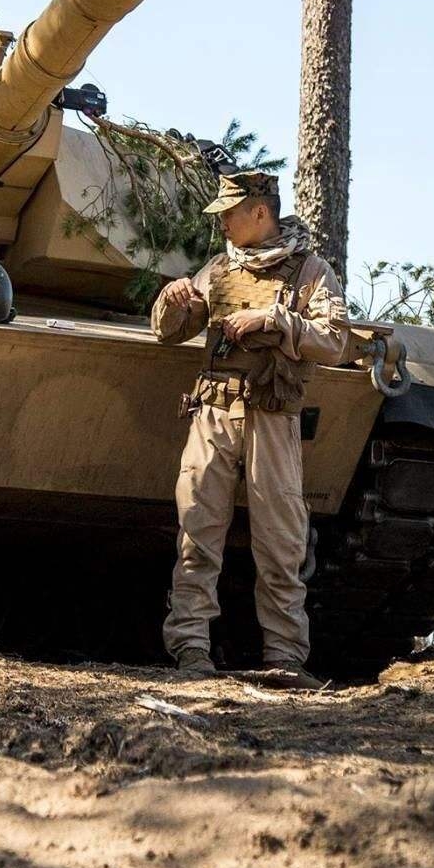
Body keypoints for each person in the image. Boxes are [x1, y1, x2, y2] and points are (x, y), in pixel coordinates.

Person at [150, 170, 351, 684]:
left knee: (281, 544)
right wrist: (174, 304)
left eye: (229, 213)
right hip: (213, 414)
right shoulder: (218, 268)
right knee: (198, 532)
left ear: (260, 213)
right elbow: (168, 333)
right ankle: (191, 648)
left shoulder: (308, 270)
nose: (221, 222)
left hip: (272, 417)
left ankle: (285, 656)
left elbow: (334, 341)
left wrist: (276, 321)